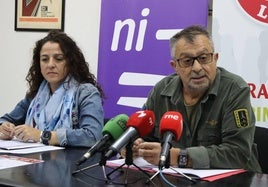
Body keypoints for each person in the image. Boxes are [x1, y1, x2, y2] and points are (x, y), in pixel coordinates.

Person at [130, 25, 262, 172]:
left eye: (204, 58)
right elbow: (146, 137)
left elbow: (238, 152)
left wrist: (178, 156)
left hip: (236, 181)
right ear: (175, 66)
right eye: (187, 61)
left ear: (215, 59)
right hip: (176, 178)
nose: (197, 67)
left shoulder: (235, 89)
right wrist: (136, 146)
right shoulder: (161, 90)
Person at [0, 30, 104, 147]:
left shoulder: (86, 93)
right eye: (44, 59)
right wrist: (4, 128)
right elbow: (4, 120)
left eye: (58, 59)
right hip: (35, 160)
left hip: (72, 163)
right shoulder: (35, 95)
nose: (50, 64)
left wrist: (42, 135)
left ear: (71, 62)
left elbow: (93, 136)